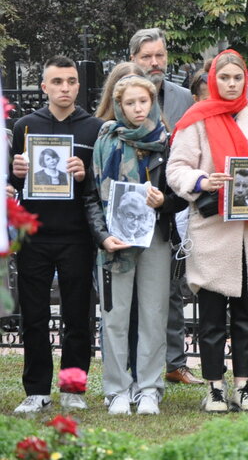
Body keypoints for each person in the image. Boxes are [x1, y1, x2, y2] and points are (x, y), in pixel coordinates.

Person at [167, 49, 248, 412]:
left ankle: (244, 386)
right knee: (211, 318)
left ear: (245, 79)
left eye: (238, 78)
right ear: (212, 79)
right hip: (213, 231)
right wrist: (203, 180)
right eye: (225, 78)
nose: (232, 84)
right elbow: (176, 169)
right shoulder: (196, 120)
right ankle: (214, 388)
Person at [84, 75, 185, 415]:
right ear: (119, 106)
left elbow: (181, 196)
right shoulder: (106, 140)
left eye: (144, 101)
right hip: (115, 243)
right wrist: (102, 236)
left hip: (155, 239)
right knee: (114, 316)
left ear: (153, 102)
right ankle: (116, 390)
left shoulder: (167, 142)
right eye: (130, 103)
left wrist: (163, 202)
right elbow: (91, 199)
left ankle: (149, 389)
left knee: (154, 315)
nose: (138, 108)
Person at [10, 56, 104, 414]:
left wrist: (84, 175)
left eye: (71, 81)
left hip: (77, 235)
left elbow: (101, 185)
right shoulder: (25, 126)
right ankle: (36, 390)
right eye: (57, 81)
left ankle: (73, 386)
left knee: (78, 314)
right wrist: (17, 172)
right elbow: (14, 184)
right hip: (34, 234)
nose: (65, 87)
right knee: (33, 315)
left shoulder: (93, 128)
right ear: (44, 86)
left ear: (78, 86)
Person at [129, 28, 200, 385]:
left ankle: (175, 362)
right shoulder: (124, 92)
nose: (155, 63)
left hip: (171, 204)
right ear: (133, 60)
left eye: (159, 55)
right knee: (131, 289)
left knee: (173, 288)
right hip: (131, 204)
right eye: (146, 57)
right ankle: (134, 363)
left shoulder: (184, 97)